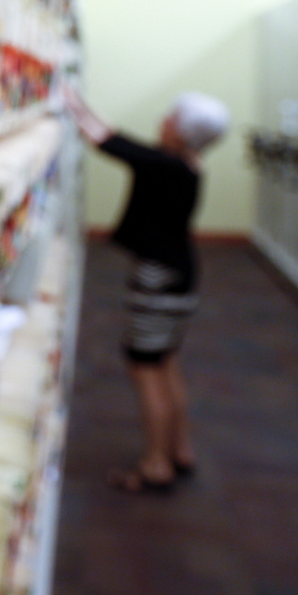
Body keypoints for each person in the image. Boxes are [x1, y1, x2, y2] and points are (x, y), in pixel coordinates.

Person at [66, 86, 230, 493]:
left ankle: (156, 463)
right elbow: (120, 139)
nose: (163, 120)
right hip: (182, 274)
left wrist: (71, 106)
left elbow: (111, 143)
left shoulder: (165, 166)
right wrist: (79, 106)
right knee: (165, 361)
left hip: (158, 279)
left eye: (172, 118)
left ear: (183, 132)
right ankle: (179, 448)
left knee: (144, 366)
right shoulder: (187, 164)